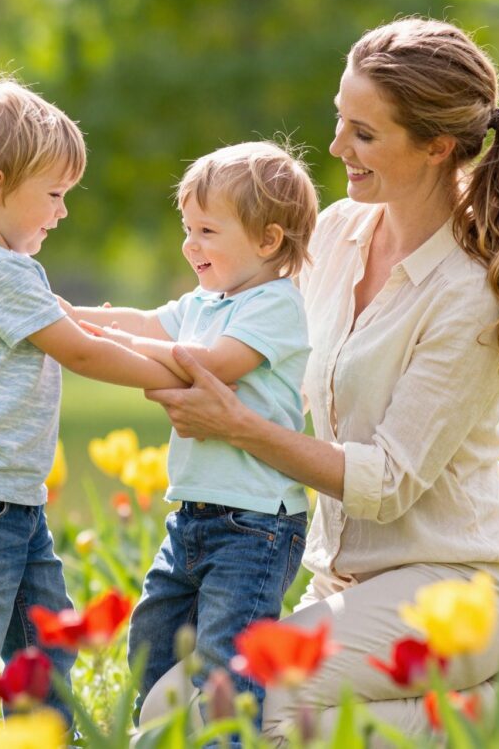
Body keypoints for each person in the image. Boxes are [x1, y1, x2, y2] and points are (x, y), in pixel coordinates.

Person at [140, 17, 499, 741]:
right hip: (343, 583)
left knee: (240, 719)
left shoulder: (469, 291)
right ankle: (484, 712)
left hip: (450, 590)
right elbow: (217, 321)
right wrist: (66, 326)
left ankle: (496, 721)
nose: (337, 147)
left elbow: (388, 480)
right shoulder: (335, 233)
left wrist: (240, 427)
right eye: (341, 121)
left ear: (437, 146)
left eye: (364, 134)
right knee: (163, 710)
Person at [0, 77, 186, 747]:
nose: (61, 213)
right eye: (53, 195)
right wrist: (173, 377)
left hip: (3, 503)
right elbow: (81, 353)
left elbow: (84, 332)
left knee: (46, 646)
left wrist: (166, 352)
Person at [65, 141, 320, 727]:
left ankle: (227, 740)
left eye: (206, 230)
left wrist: (121, 348)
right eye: (187, 228)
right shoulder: (208, 301)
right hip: (195, 517)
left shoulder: (274, 306)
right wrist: (74, 318)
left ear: (268, 240)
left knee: (229, 661)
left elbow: (211, 365)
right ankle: (156, 732)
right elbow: (146, 320)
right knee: (153, 635)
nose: (189, 244)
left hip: (255, 525)